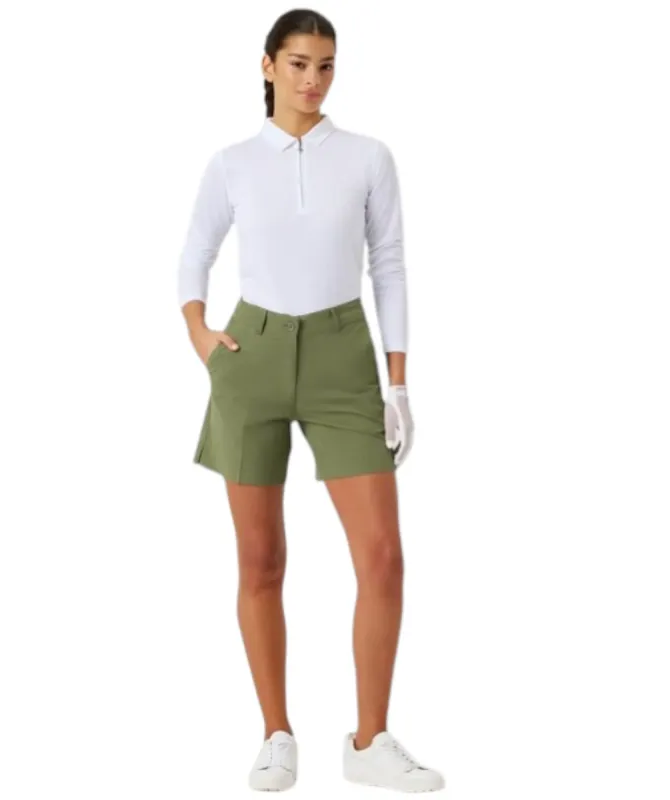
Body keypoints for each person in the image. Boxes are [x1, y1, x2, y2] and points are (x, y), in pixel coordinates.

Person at [177, 8, 442, 794]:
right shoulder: (232, 163)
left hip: (340, 353)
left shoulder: (367, 158)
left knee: (383, 556)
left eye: (326, 65)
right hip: (251, 353)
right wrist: (201, 335)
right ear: (267, 67)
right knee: (261, 558)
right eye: (298, 64)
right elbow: (193, 255)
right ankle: (276, 733)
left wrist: (398, 381)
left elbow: (389, 264)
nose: (313, 80)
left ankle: (369, 739)